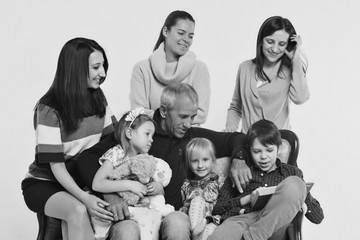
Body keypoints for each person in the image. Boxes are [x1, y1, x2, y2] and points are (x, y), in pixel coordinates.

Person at [76, 83, 249, 240]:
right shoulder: (140, 131)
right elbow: (86, 159)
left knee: (178, 224)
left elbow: (236, 138)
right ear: (165, 111)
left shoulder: (192, 136)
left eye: (193, 117)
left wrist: (239, 159)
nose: (189, 124)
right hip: (135, 214)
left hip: (170, 213)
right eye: (183, 117)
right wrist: (111, 194)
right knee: (126, 231)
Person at [21, 37, 120, 240]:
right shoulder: (49, 109)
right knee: (78, 210)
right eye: (96, 67)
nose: (102, 73)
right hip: (45, 183)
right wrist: (85, 197)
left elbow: (113, 141)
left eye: (103, 66)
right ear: (76, 69)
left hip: (84, 181)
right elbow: (57, 168)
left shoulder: (98, 98)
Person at [209, 119, 324, 240]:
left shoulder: (291, 172)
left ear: (278, 148)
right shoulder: (241, 170)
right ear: (249, 149)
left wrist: (303, 193)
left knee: (295, 184)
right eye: (257, 151)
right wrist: (245, 200)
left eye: (269, 150)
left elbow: (318, 217)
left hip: (274, 224)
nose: (263, 157)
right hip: (241, 220)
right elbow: (217, 209)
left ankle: (253, 237)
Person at [91, 108, 173, 240]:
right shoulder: (117, 153)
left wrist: (157, 188)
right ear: (129, 133)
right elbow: (97, 183)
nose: (151, 140)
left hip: (140, 211)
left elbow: (149, 183)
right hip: (121, 214)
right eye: (147, 134)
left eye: (152, 136)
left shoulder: (145, 159)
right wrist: (130, 185)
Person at [224, 16, 310, 133]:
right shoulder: (245, 67)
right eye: (270, 42)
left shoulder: (289, 70)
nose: (274, 49)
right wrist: (230, 129)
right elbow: (235, 106)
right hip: (249, 144)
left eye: (281, 44)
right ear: (261, 40)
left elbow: (300, 98)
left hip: (278, 145)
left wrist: (296, 57)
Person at [130, 10, 210, 126]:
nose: (186, 40)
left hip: (188, 139)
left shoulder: (199, 69)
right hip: (152, 139)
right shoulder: (142, 69)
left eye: (190, 36)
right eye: (181, 33)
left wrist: (162, 117)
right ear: (166, 31)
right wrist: (179, 117)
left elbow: (201, 114)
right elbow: (139, 113)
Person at [180, 138, 225, 240]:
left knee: (209, 230)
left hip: (212, 220)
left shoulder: (218, 180)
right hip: (192, 221)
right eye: (195, 161)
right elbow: (184, 205)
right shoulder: (186, 184)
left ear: (213, 160)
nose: (200, 165)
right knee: (197, 200)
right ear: (189, 163)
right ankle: (196, 232)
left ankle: (198, 236)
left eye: (205, 160)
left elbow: (225, 199)